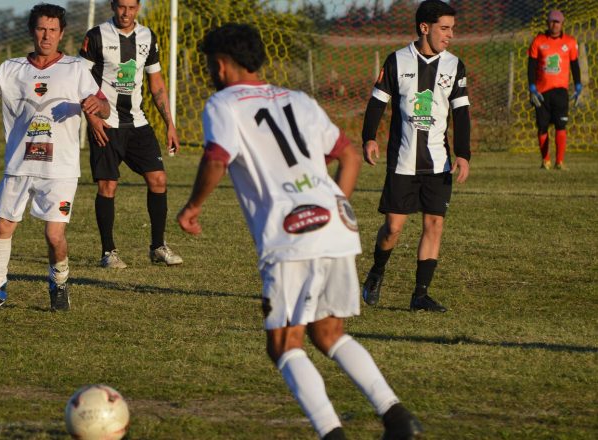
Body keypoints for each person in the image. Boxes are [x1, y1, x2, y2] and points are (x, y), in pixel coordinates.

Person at [178, 23, 423, 440]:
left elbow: (218, 158)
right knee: (328, 333)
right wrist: (338, 206)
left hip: (291, 234)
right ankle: (398, 419)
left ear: (220, 66)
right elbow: (348, 156)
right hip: (334, 224)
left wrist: (192, 207)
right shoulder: (299, 99)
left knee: (284, 344)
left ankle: (331, 433)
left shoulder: (223, 103)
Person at [0, 3, 110, 312]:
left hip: (60, 169)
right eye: (41, 29)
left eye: (53, 30)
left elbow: (105, 107)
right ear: (31, 31)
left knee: (54, 235)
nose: (47, 35)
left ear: (62, 33)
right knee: (2, 226)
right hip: (19, 166)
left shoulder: (76, 68)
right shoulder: (11, 69)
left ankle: (60, 283)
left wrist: (96, 105)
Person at [360, 0, 471, 313]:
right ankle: (377, 271)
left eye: (452, 29)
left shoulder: (454, 65)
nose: (450, 35)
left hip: (438, 163)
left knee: (434, 224)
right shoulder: (396, 61)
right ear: (425, 28)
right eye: (444, 28)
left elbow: (462, 113)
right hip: (403, 162)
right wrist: (369, 137)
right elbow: (377, 102)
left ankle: (420, 295)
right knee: (393, 229)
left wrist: (463, 154)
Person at [79, 0, 183, 269]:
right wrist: (92, 119)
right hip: (107, 123)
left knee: (158, 179)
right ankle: (108, 252)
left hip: (137, 123)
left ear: (139, 7)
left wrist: (170, 124)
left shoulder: (148, 36)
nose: (126, 13)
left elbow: (156, 81)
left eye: (132, 7)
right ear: (113, 6)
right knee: (108, 186)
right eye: (121, 6)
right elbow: (78, 79)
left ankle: (158, 246)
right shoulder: (96, 35)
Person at [528, 9, 582, 170]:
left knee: (561, 125)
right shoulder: (538, 41)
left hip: (560, 91)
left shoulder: (570, 42)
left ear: (562, 24)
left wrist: (578, 85)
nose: (554, 25)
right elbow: (531, 66)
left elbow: (575, 65)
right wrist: (531, 87)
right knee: (542, 126)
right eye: (552, 21)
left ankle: (559, 161)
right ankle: (546, 160)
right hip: (541, 92)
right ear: (547, 23)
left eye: (557, 22)